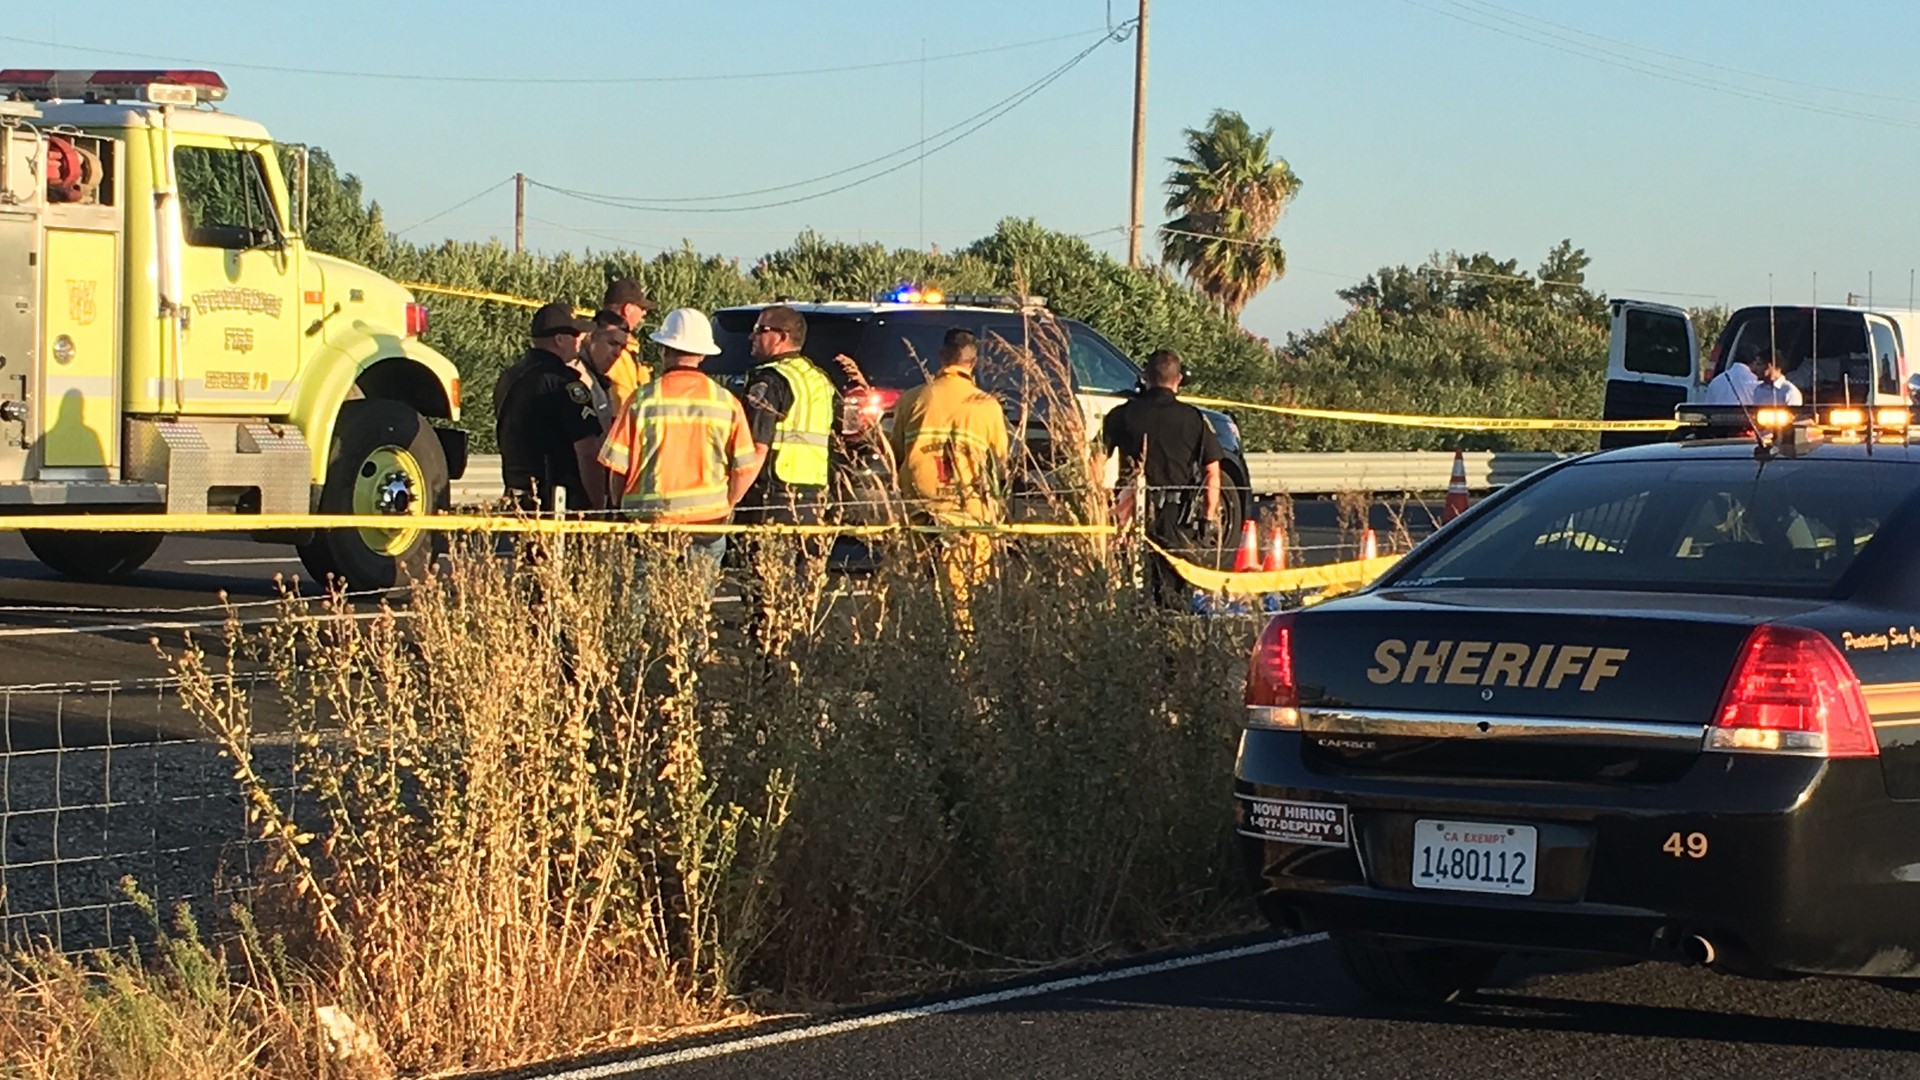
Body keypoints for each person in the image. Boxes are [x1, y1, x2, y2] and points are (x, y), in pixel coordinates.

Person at [598, 307, 760, 574]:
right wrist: (726, 505)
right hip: (706, 524)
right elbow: (744, 468)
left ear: (664, 349)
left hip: (649, 525)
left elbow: (617, 468)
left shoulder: (641, 400)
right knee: (695, 608)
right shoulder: (726, 402)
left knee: (641, 611)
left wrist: (620, 506)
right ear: (704, 354)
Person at [889, 328, 1011, 626]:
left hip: (920, 515)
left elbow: (895, 456)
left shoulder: (913, 399)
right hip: (971, 519)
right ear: (974, 363)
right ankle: (963, 661)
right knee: (965, 601)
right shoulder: (987, 406)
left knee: (917, 597)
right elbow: (1000, 467)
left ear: (942, 357)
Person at [1097, 348, 1223, 608]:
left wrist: (1100, 504)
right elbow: (1213, 472)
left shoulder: (1122, 415)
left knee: (1130, 582)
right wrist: (1207, 518)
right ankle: (1171, 636)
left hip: (1131, 511)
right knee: (1173, 590)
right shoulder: (1195, 419)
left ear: (1145, 377)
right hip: (1177, 517)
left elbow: (1095, 462)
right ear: (1178, 379)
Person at [736, 305, 839, 525]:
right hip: (813, 498)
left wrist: (733, 497)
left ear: (781, 337)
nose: (751, 336)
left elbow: (756, 447)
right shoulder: (820, 379)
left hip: (772, 496)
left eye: (760, 329)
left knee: (757, 559)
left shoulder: (771, 380)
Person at [494, 302, 602, 512]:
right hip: (557, 501)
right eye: (575, 334)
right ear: (559, 340)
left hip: (517, 497)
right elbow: (587, 451)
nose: (580, 341)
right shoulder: (563, 383)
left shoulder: (509, 378)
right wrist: (596, 508)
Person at [603, 278, 657, 411]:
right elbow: (623, 394)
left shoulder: (594, 340)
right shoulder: (617, 347)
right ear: (628, 309)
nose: (644, 313)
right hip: (617, 424)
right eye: (642, 308)